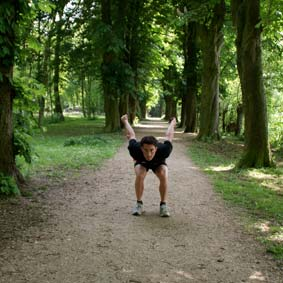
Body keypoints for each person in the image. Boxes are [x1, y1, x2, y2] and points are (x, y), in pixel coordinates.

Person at [121, 114, 176, 217]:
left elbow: (169, 136)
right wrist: (125, 121)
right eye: (145, 150)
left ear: (156, 148)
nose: (149, 154)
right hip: (142, 162)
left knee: (163, 173)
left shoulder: (164, 150)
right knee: (140, 174)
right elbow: (132, 135)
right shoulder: (135, 148)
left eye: (151, 150)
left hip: (158, 162)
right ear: (141, 148)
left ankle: (163, 205)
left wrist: (172, 123)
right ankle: (139, 204)